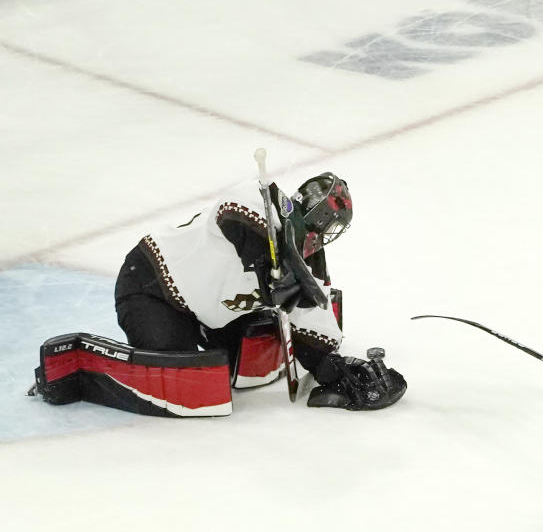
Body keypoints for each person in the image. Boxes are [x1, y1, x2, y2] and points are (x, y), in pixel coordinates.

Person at [105, 170, 406, 413]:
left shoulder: (308, 260)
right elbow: (233, 207)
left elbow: (313, 315)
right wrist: (265, 262)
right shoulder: (263, 204)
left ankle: (203, 332)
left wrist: (333, 369)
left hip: (207, 310)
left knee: (233, 368)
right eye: (331, 228)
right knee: (181, 376)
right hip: (152, 284)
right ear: (321, 219)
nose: (328, 237)